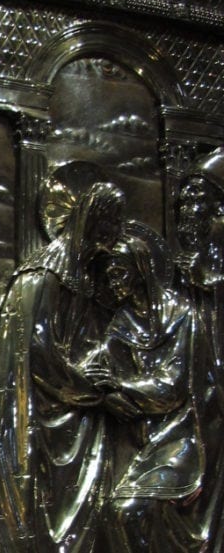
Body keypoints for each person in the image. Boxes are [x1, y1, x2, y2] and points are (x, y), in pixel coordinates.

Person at [0, 181, 125, 553]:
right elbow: (40, 355)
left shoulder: (87, 276)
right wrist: (89, 386)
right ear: (88, 220)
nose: (112, 237)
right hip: (42, 416)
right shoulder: (44, 275)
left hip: (80, 422)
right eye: (106, 226)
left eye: (116, 228)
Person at [86, 225, 202, 552]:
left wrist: (121, 386)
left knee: (125, 512)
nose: (114, 282)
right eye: (109, 276)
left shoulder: (181, 316)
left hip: (177, 439)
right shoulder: (123, 320)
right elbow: (99, 368)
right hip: (136, 442)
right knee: (110, 513)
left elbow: (173, 387)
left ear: (141, 271)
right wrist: (105, 392)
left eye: (120, 273)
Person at [174, 146, 224, 550]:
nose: (188, 211)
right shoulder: (181, 274)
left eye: (198, 201)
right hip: (195, 400)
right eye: (184, 200)